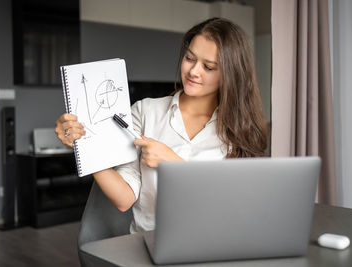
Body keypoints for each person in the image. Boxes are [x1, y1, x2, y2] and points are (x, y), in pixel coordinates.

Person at [55, 17, 268, 233]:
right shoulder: (145, 112)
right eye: (189, 58)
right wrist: (84, 145)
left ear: (230, 75)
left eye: (209, 66)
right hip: (148, 245)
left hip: (214, 244)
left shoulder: (238, 130)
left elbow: (234, 209)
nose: (194, 71)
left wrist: (174, 163)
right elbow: (124, 199)